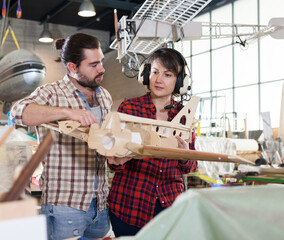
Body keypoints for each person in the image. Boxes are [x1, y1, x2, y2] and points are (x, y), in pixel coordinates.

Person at [9, 33, 112, 240]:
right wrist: (67, 112)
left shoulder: (105, 96)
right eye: (93, 65)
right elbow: (17, 112)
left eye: (100, 61)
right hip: (66, 205)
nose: (101, 69)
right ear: (73, 68)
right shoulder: (52, 92)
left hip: (100, 204)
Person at [107, 48, 197, 237]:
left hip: (168, 205)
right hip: (130, 204)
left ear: (179, 81)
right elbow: (113, 160)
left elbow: (190, 167)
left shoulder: (184, 116)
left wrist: (185, 154)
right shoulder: (129, 108)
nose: (159, 79)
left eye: (167, 74)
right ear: (146, 75)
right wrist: (117, 159)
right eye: (155, 72)